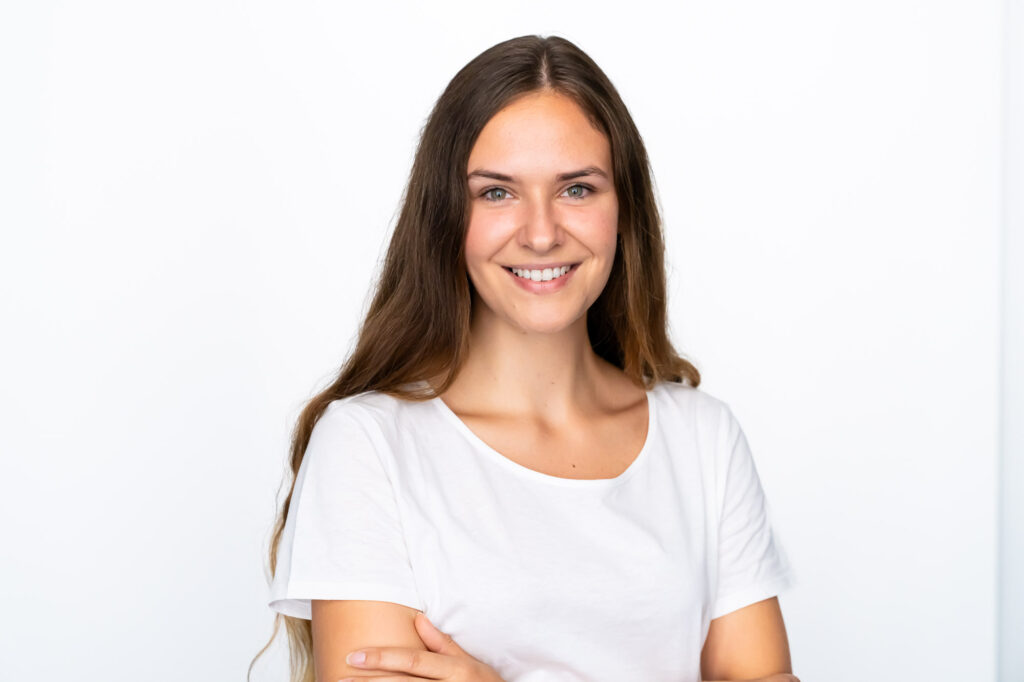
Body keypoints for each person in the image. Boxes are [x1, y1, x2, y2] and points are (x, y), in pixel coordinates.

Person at [251, 34, 798, 682]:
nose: (541, 234)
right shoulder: (369, 447)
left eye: (576, 189)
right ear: (446, 216)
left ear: (623, 209)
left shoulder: (701, 439)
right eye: (497, 193)